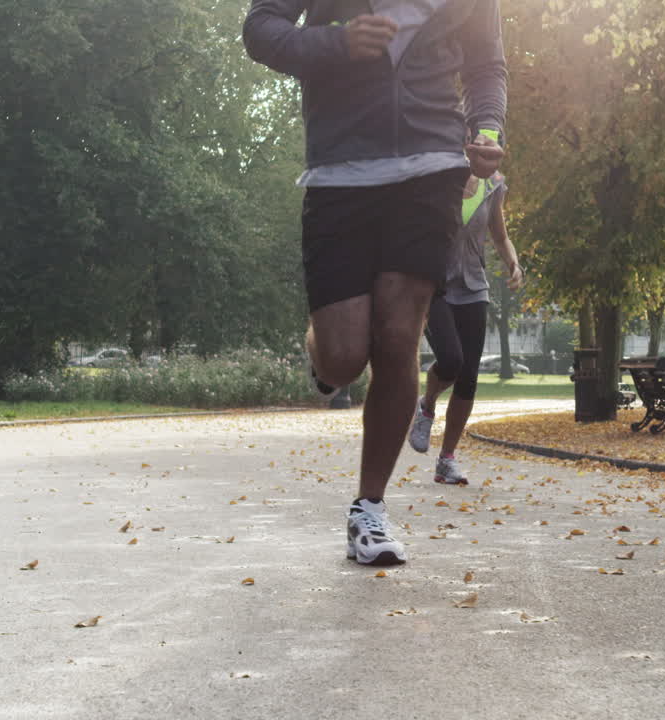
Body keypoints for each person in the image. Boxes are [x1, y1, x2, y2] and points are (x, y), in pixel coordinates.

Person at [243, 0, 507, 565]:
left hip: (434, 165)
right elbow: (261, 28)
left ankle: (370, 507)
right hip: (341, 169)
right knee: (343, 358)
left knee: (398, 336)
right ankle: (323, 357)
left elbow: (486, 64)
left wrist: (487, 127)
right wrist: (336, 41)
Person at [407, 171, 522, 484]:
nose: (488, 146)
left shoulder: (493, 185)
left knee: (468, 377)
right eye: (481, 139)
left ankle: (447, 460)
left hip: (473, 286)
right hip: (437, 285)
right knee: (451, 360)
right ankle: (427, 406)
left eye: (493, 140)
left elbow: (500, 235)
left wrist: (513, 262)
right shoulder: (438, 176)